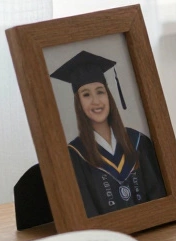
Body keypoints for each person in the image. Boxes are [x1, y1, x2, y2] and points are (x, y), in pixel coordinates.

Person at [50, 50, 167, 216]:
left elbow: (159, 196)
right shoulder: (75, 155)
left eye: (100, 91)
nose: (96, 101)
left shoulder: (138, 142)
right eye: (86, 95)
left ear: (109, 95)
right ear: (79, 103)